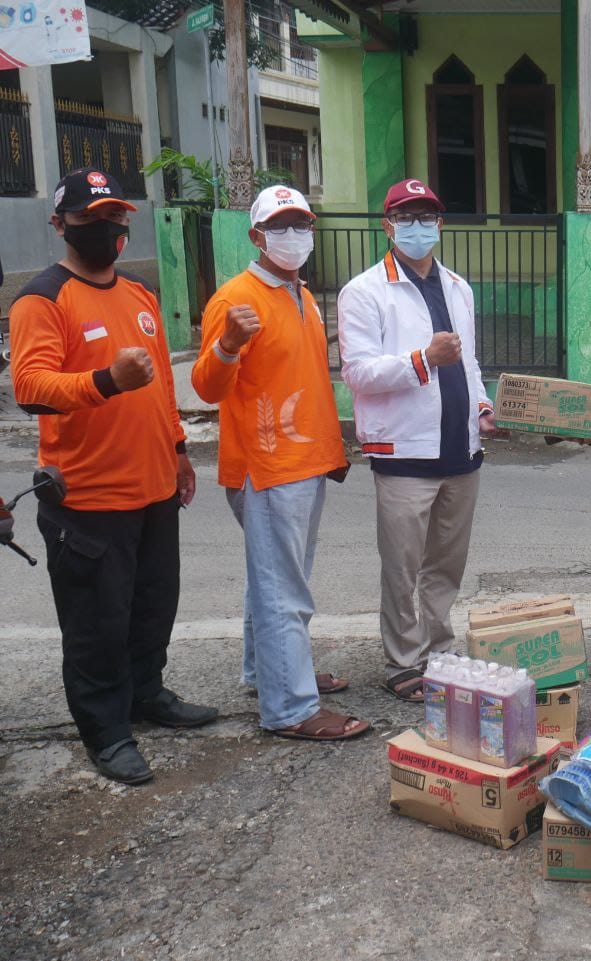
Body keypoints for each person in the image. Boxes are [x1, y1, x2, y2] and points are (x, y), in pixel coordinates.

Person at [9, 168, 215, 784]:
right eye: (90, 218)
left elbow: (158, 390)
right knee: (96, 623)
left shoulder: (140, 296)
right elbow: (31, 387)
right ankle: (105, 730)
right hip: (89, 499)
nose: (105, 228)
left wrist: (178, 449)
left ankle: (146, 694)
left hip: (153, 487)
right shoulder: (42, 299)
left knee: (153, 607)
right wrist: (104, 382)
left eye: (114, 216)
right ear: (60, 225)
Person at [192, 185, 368, 742]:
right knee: (282, 588)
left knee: (273, 580)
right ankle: (290, 706)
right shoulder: (234, 300)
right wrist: (226, 345)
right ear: (256, 235)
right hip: (266, 468)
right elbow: (205, 386)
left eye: (301, 225)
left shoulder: (303, 296)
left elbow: (306, 380)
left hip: (304, 462)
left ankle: (265, 673)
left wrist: (330, 451)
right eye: (281, 226)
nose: (294, 236)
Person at [338, 178, 495, 701]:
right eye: (406, 217)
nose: (417, 226)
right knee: (403, 564)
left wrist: (482, 406)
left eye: (426, 217)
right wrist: (422, 359)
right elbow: (358, 373)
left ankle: (438, 645)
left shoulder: (457, 286)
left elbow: (469, 360)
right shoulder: (363, 291)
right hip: (403, 451)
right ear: (388, 226)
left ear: (440, 225)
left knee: (446, 562)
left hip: (460, 449)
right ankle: (405, 660)